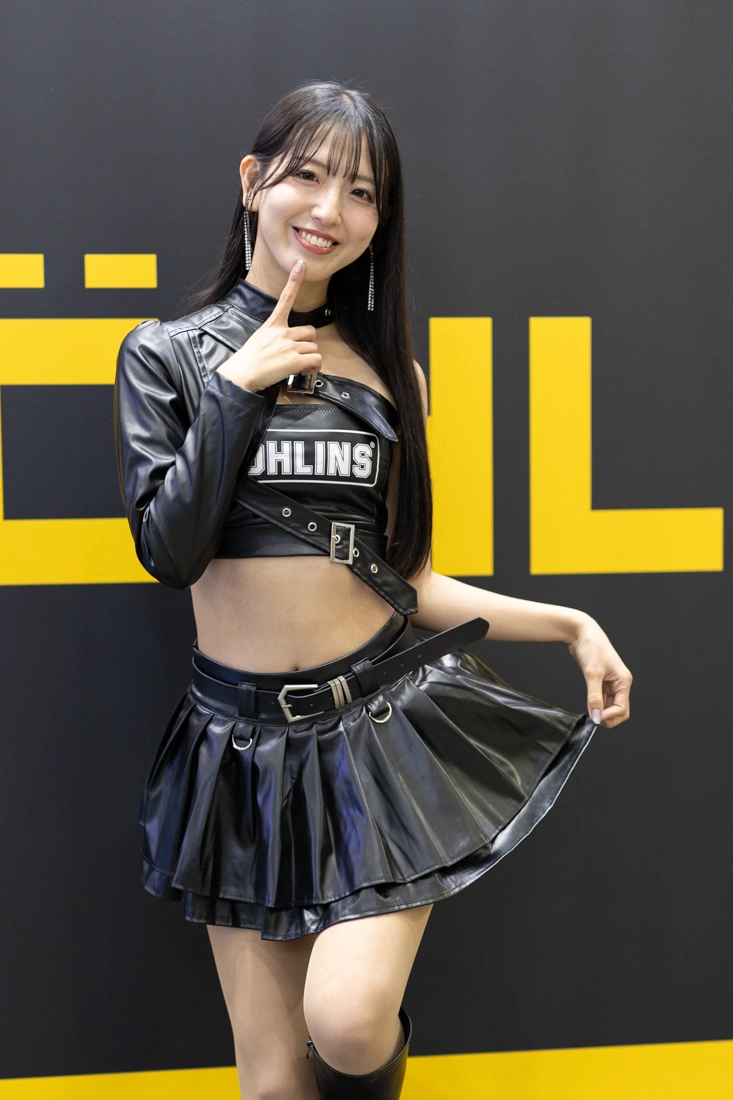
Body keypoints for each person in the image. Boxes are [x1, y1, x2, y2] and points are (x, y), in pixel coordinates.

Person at [114, 80, 632, 1100]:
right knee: (272, 1084)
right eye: (306, 176)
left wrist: (571, 623)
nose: (329, 209)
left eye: (359, 191)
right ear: (252, 181)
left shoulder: (392, 374)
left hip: (376, 736)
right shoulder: (164, 355)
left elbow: (409, 580)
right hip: (236, 749)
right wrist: (236, 388)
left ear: (378, 219)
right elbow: (169, 551)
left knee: (348, 1027)